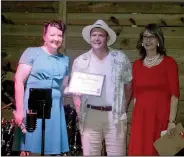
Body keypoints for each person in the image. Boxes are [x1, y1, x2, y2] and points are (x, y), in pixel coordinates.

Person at [70, 19, 132, 155]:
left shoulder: (121, 59)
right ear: (90, 38)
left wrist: (122, 109)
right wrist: (81, 113)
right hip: (90, 116)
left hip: (114, 116)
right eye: (94, 35)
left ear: (107, 38)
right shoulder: (80, 61)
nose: (97, 38)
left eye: (101, 35)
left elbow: (128, 86)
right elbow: (75, 93)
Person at [12, 20, 69, 155]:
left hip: (54, 108)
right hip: (32, 106)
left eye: (59, 35)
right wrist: (20, 110)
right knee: (29, 148)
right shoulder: (32, 52)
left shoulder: (65, 59)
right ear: (44, 36)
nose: (56, 38)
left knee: (52, 150)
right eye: (52, 35)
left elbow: (64, 87)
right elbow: (19, 81)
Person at [128, 24, 180, 155]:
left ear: (158, 41)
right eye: (145, 37)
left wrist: (171, 122)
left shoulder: (169, 63)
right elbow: (135, 96)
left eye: (152, 37)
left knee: (162, 152)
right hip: (141, 118)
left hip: (161, 118)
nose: (148, 40)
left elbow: (175, 95)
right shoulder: (136, 65)